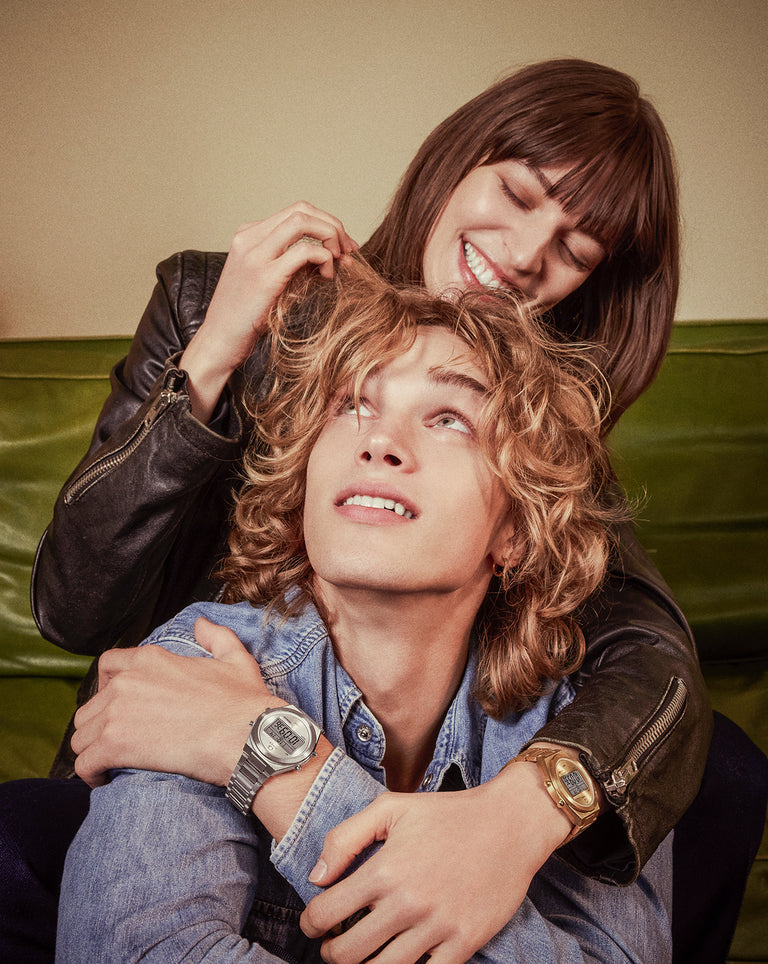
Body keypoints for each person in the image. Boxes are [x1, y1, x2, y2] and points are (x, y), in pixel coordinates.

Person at [3, 58, 716, 963]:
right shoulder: (217, 311)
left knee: (715, 771)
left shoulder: (541, 442)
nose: (530, 251)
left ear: (520, 523)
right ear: (460, 161)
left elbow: (654, 655)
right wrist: (217, 354)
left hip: (427, 756)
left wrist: (515, 813)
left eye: (577, 248)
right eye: (519, 191)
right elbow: (76, 609)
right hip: (181, 726)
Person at [57, 260, 673, 963]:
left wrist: (270, 756)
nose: (378, 441)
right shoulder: (195, 673)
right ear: (301, 482)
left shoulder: (580, 752)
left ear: (517, 530)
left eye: (449, 419)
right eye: (352, 404)